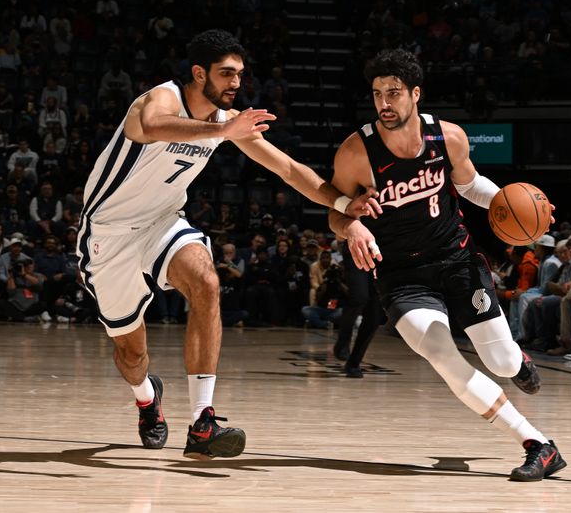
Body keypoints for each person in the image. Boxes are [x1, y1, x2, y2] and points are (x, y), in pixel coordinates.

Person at [76, 29, 378, 460]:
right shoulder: (159, 100)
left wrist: (346, 203)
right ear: (199, 74)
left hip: (161, 222)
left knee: (207, 282)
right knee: (131, 353)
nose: (236, 82)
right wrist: (222, 129)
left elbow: (290, 170)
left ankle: (203, 421)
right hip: (108, 233)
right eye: (226, 73)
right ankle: (147, 397)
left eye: (240, 73)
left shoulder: (224, 123)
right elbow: (151, 127)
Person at [327, 48, 564, 482]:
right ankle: (538, 444)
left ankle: (519, 362)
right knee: (441, 355)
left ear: (415, 94)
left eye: (394, 92)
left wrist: (508, 203)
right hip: (400, 276)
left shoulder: (448, 137)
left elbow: (469, 184)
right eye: (377, 93)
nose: (384, 102)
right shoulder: (355, 152)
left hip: (455, 259)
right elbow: (334, 209)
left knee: (503, 362)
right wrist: (350, 226)